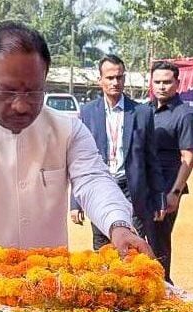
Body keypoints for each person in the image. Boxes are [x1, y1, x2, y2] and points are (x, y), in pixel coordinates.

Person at [0, 23, 150, 284]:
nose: (21, 106)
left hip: (52, 285)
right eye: (7, 91)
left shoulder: (68, 129)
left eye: (34, 92)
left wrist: (119, 225)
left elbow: (94, 180)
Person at [69, 54, 166, 250]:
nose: (115, 82)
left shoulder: (142, 112)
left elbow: (151, 159)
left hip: (133, 192)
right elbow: (78, 159)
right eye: (110, 78)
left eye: (119, 77)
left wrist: (159, 197)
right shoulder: (88, 112)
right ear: (100, 80)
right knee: (102, 246)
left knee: (131, 246)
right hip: (100, 188)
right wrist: (75, 202)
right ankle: (104, 282)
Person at [149, 61, 193, 282]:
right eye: (157, 81)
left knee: (159, 244)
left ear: (177, 84)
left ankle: (164, 290)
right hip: (142, 186)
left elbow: (188, 157)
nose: (161, 86)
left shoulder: (184, 114)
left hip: (167, 188)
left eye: (167, 82)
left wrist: (175, 193)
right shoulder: (144, 110)